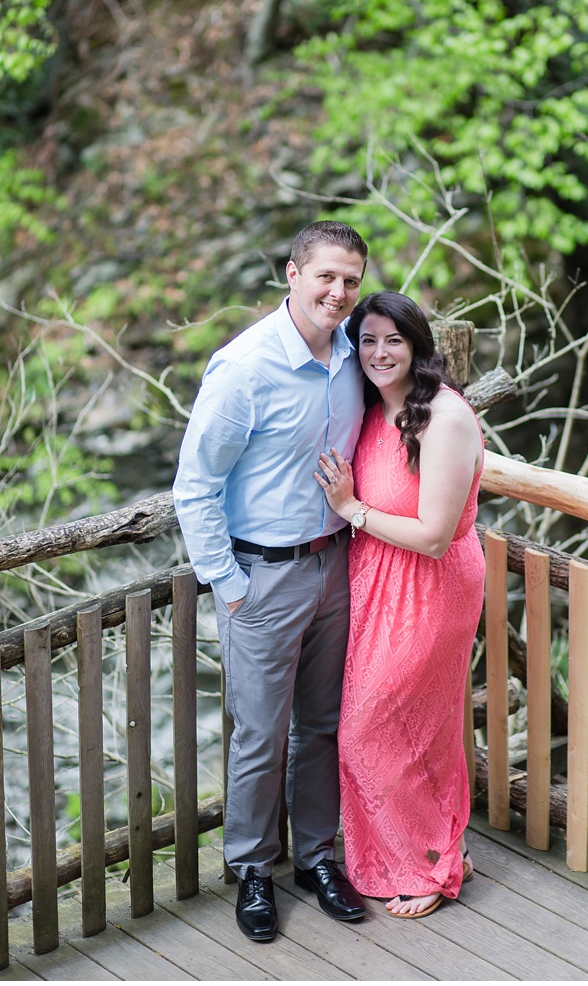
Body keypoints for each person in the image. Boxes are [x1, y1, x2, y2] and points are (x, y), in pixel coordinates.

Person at [173, 220, 370, 943]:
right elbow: (194, 486)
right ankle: (253, 870)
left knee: (320, 724)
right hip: (261, 575)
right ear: (292, 274)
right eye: (325, 276)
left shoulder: (357, 355)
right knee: (261, 732)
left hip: (334, 562)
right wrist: (228, 584)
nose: (338, 292)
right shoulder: (244, 367)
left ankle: (318, 858)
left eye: (350, 279)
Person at [315, 290, 485, 919]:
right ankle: (442, 848)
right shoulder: (369, 410)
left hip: (432, 585)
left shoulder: (444, 416)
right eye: (368, 340)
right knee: (419, 727)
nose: (380, 353)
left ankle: (429, 870)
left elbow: (437, 536)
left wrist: (351, 509)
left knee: (367, 727)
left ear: (417, 345)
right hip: (377, 577)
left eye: (394, 340)